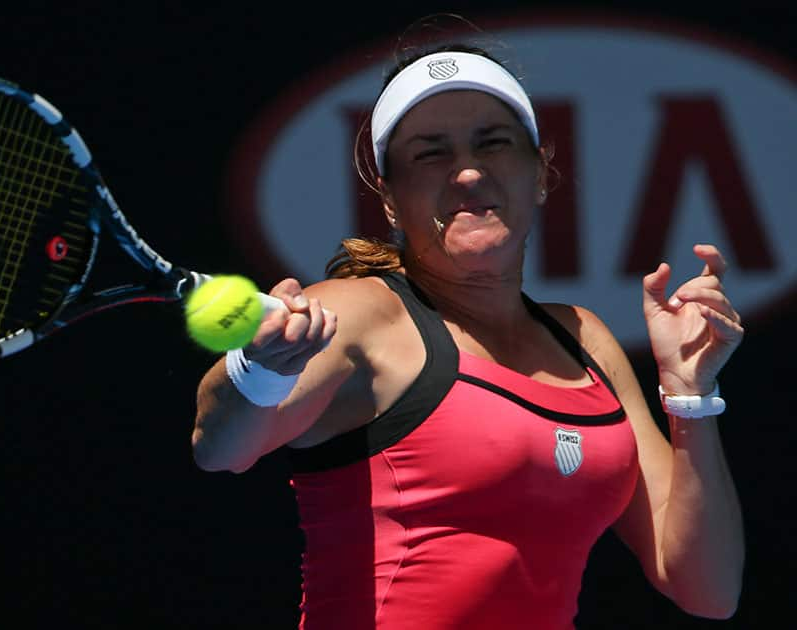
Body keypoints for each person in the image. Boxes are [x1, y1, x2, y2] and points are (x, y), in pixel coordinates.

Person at [191, 27, 745, 630]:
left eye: (493, 143)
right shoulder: (359, 314)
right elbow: (221, 449)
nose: (467, 173)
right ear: (390, 199)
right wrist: (260, 367)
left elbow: (705, 588)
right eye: (431, 152)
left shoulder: (584, 339)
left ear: (539, 174)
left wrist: (690, 396)